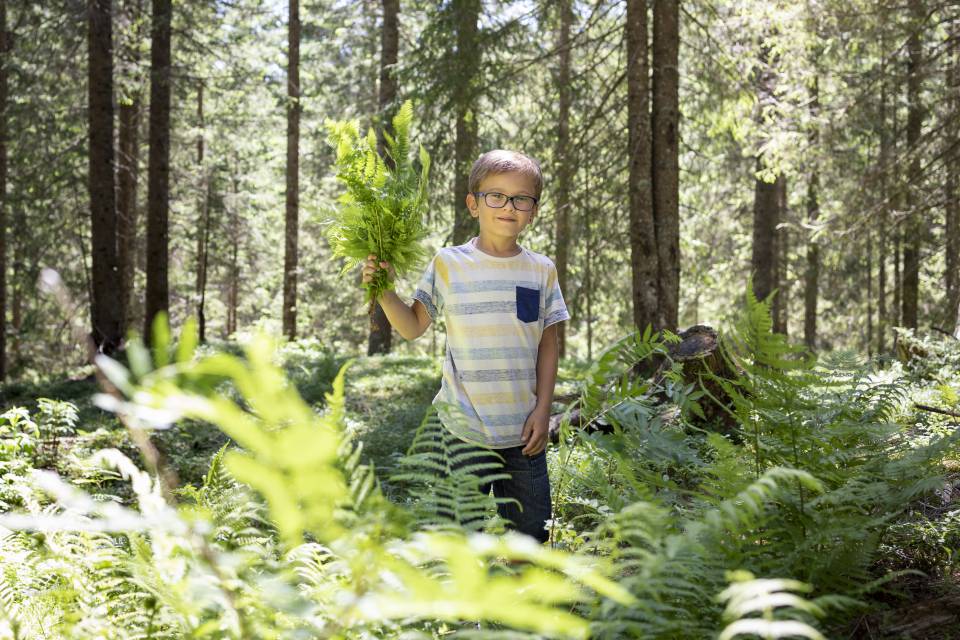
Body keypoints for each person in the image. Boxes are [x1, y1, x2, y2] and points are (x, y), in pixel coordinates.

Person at [362, 149, 570, 543]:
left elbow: (548, 344)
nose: (508, 206)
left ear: (534, 210)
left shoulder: (541, 270)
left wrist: (543, 411)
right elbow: (411, 327)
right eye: (496, 196)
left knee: (530, 537)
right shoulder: (448, 263)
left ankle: (522, 601)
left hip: (524, 433)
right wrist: (385, 290)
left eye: (521, 198)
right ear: (474, 204)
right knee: (460, 536)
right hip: (463, 431)